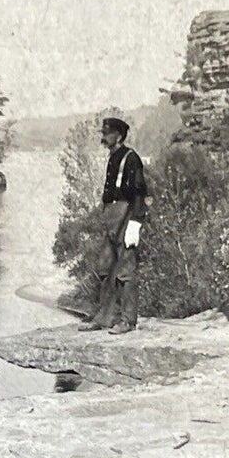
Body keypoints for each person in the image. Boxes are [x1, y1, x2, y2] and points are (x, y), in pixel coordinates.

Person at [79, 116, 148, 334]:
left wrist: (135, 223)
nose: (103, 137)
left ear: (118, 135)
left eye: (107, 133)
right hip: (112, 215)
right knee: (105, 267)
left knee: (125, 270)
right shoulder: (113, 158)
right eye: (103, 133)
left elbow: (139, 193)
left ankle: (128, 320)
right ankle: (106, 317)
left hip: (126, 214)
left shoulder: (131, 158)